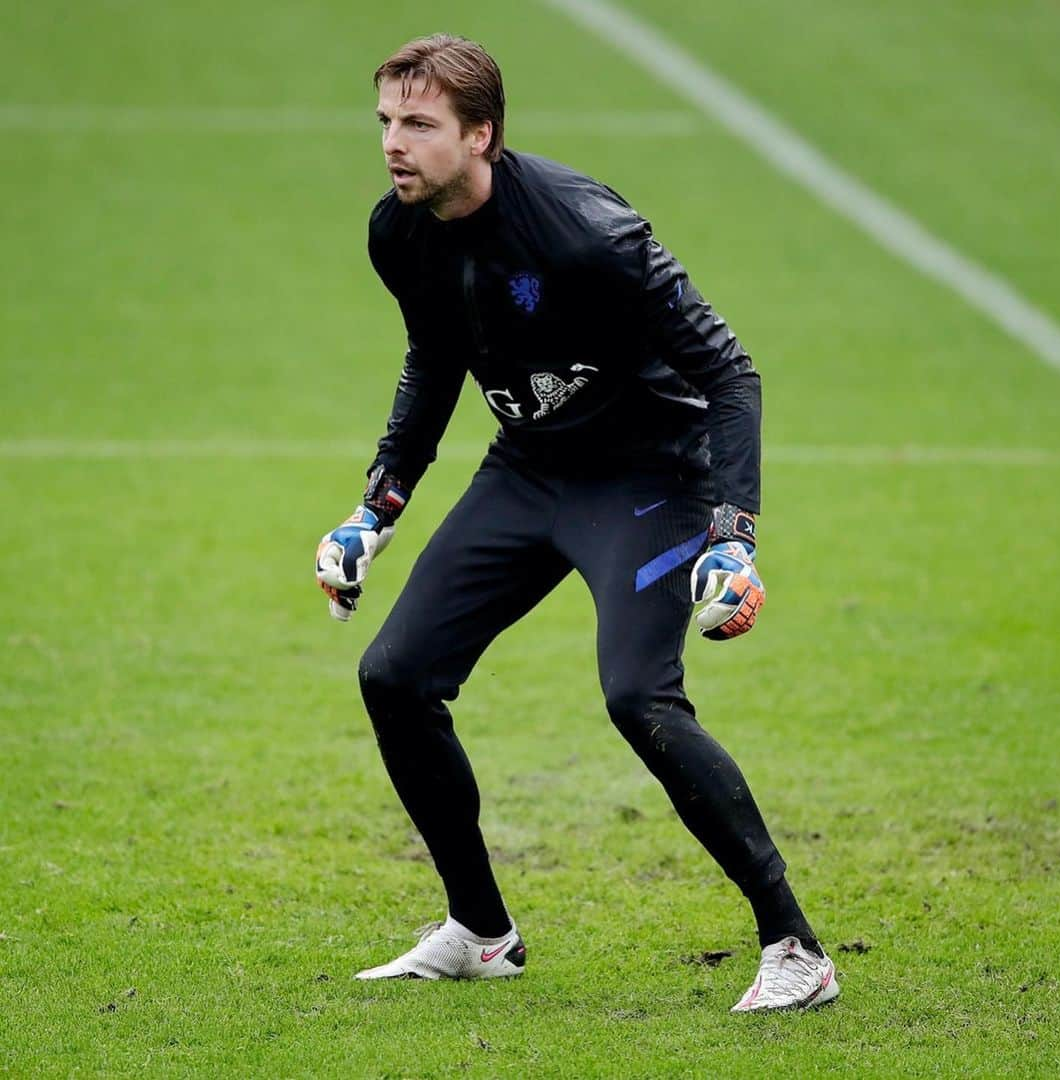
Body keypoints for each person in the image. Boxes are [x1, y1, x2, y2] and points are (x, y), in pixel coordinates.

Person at [314, 33, 838, 1013]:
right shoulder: (401, 230)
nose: (393, 142)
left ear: (482, 135)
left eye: (418, 124)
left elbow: (731, 375)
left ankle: (796, 948)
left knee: (640, 698)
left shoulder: (586, 236)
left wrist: (733, 533)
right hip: (529, 469)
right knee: (395, 677)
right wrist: (375, 507)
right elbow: (436, 359)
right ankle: (480, 932)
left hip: (648, 481)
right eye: (386, 119)